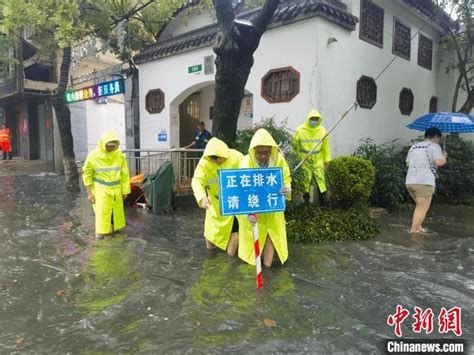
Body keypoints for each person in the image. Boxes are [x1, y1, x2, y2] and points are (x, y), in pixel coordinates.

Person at [237, 128, 291, 267]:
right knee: (252, 245)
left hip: (273, 210)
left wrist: (287, 189)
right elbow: (241, 191)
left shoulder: (279, 160)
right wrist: (247, 213)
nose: (262, 156)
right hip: (254, 211)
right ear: (253, 150)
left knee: (270, 238)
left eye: (265, 153)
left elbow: (286, 179)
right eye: (259, 153)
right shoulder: (245, 163)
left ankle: (267, 268)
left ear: (271, 150)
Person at [191, 137, 243, 255]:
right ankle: (211, 256)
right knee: (209, 232)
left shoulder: (237, 157)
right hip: (213, 203)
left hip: (233, 202)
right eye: (214, 160)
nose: (218, 162)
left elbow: (248, 174)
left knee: (234, 230)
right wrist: (202, 198)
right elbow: (197, 181)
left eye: (220, 158)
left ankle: (230, 259)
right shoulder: (205, 163)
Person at [82, 131, 130, 239]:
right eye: (109, 146)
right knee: (102, 215)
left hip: (116, 190)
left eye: (113, 146)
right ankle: (100, 237)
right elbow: (87, 175)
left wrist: (125, 190)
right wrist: (89, 193)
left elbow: (124, 173)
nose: (111, 148)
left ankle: (115, 236)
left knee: (116, 214)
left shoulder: (119, 155)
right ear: (103, 143)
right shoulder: (93, 155)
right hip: (101, 190)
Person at [405, 127, 447, 234]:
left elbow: (408, 163)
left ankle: (419, 227)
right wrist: (444, 157)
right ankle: (414, 232)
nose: (439, 141)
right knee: (422, 207)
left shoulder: (414, 146)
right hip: (424, 181)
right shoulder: (434, 146)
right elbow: (439, 162)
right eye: (439, 138)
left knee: (421, 206)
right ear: (435, 137)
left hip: (410, 181)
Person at [292, 109, 331, 204]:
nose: (314, 121)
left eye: (316, 119)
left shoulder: (322, 130)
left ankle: (324, 204)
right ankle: (305, 203)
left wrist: (327, 160)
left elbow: (326, 147)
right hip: (304, 159)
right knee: (305, 183)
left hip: (317, 160)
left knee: (320, 182)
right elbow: (295, 146)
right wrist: (296, 159)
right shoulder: (300, 130)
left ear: (319, 120)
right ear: (308, 119)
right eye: (312, 119)